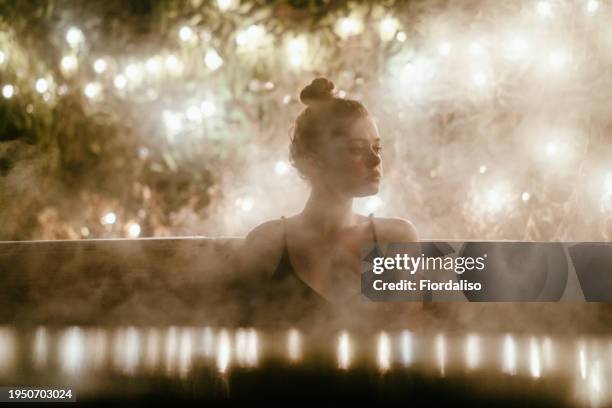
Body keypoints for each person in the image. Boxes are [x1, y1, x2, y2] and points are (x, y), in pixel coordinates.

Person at [237, 77, 419, 327]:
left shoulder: (396, 238)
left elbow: (407, 340)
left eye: (377, 148)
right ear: (314, 162)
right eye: (357, 149)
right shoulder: (266, 243)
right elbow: (243, 335)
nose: (375, 161)